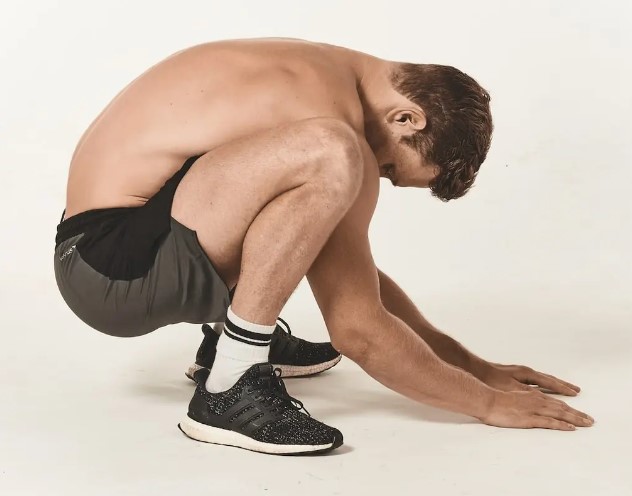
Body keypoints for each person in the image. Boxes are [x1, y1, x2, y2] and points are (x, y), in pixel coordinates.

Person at [54, 37, 594, 456]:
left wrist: (472, 364)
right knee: (332, 152)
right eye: (390, 168)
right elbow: (359, 328)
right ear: (406, 118)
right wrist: (487, 403)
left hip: (112, 252)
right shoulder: (330, 130)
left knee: (320, 172)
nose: (374, 178)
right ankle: (232, 382)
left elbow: (349, 273)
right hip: (113, 268)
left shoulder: (317, 73)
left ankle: (236, 337)